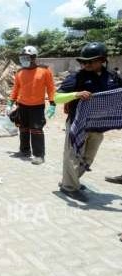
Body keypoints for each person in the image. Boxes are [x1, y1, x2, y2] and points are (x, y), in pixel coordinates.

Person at [54, 42, 122, 202]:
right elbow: (56, 97)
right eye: (83, 62)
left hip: (99, 125)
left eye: (90, 61)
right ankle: (69, 187)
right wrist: (76, 94)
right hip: (78, 123)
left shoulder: (112, 77)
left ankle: (71, 180)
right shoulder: (76, 77)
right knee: (72, 156)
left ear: (102, 60)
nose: (86, 64)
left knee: (88, 158)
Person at [7, 46, 56, 165]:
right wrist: (10, 102)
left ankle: (39, 155)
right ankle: (24, 151)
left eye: (26, 57)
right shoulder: (20, 72)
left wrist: (52, 103)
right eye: (22, 57)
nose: (23, 60)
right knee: (23, 128)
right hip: (22, 105)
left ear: (34, 58)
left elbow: (50, 88)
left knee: (36, 131)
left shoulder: (44, 70)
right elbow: (16, 88)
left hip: (37, 107)